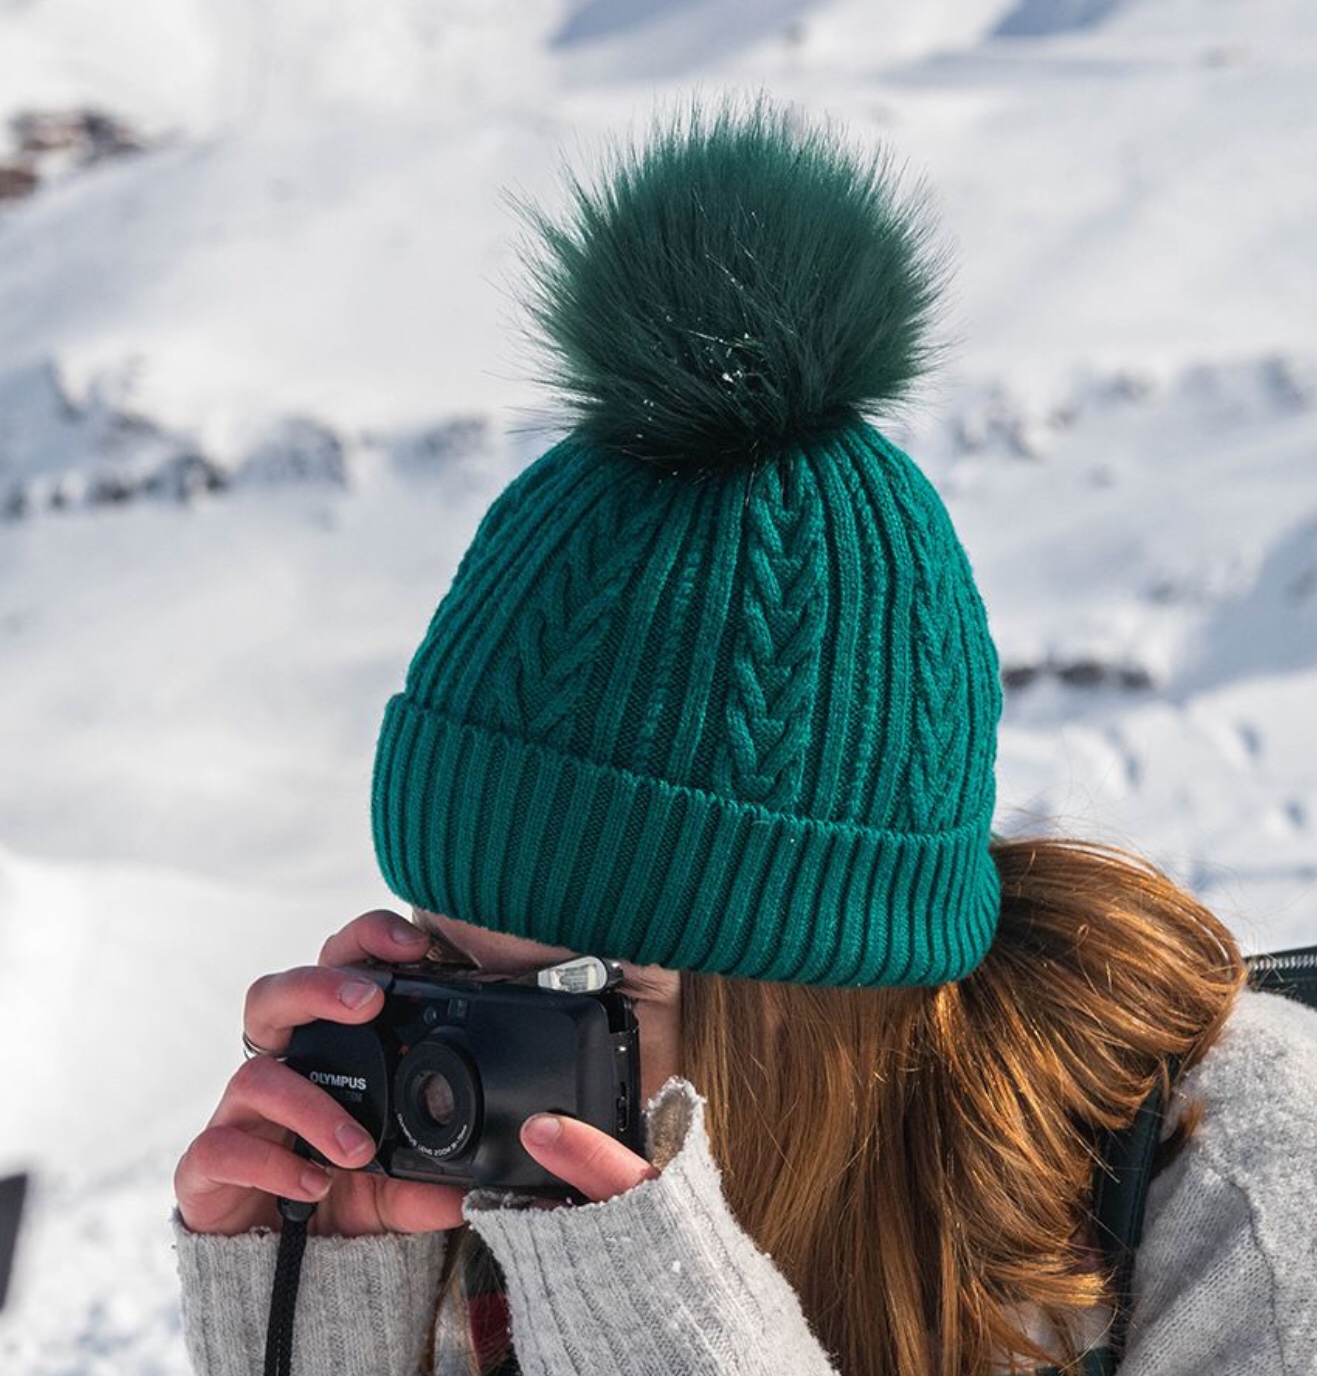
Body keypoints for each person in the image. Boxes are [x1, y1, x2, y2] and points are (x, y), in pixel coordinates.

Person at [172, 99, 1317, 1376]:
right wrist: (314, 1328)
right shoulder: (490, 1206)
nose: (481, 1071)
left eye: (579, 999)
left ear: (809, 1000)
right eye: (446, 967)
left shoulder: (1250, 1200)